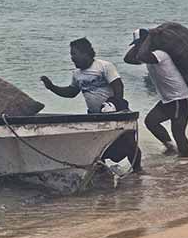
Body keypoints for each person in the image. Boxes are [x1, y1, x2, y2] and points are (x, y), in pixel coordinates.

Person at [40, 38, 140, 171]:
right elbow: (71, 92)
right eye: (71, 55)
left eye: (74, 54)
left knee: (129, 144)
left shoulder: (104, 66)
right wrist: (52, 87)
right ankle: (102, 173)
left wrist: (115, 105)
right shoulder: (77, 74)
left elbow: (118, 86)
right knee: (98, 147)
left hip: (115, 112)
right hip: (94, 116)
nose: (72, 58)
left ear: (85, 53)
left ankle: (138, 171)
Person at [124, 28, 188, 157]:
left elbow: (142, 56)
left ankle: (186, 160)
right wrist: (138, 44)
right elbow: (128, 59)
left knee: (178, 133)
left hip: (180, 99)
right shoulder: (148, 56)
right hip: (168, 100)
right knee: (151, 122)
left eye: (141, 44)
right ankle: (171, 147)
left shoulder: (160, 54)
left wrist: (149, 38)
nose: (139, 47)